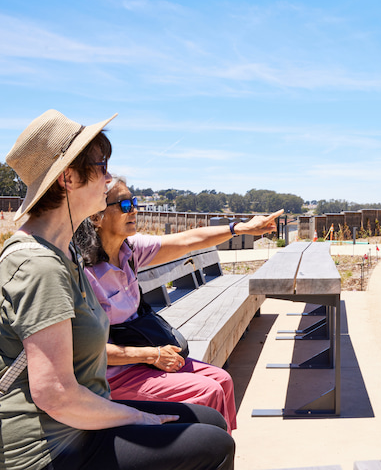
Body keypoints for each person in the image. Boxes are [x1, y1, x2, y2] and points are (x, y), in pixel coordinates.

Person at [0, 110, 235, 470]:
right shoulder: (38, 264)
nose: (109, 178)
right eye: (101, 165)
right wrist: (137, 418)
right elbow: (56, 396)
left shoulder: (65, 252)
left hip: (80, 422)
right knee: (212, 444)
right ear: (68, 178)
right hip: (52, 448)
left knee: (209, 421)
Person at [75, 177, 282, 432]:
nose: (135, 210)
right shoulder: (85, 274)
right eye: (125, 204)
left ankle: (220, 453)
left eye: (135, 202)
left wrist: (240, 228)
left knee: (223, 380)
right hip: (111, 377)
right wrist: (152, 355)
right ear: (97, 217)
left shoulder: (130, 250)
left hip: (143, 359)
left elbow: (188, 240)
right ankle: (203, 454)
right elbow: (80, 350)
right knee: (208, 392)